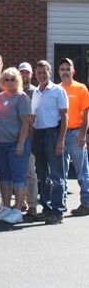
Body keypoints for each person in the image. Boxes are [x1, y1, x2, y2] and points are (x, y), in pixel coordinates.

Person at [0, 68, 32, 224]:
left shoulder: (22, 98)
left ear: (18, 81)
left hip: (16, 144)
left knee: (18, 177)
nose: (9, 82)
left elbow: (25, 123)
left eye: (12, 79)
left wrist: (21, 143)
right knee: (4, 176)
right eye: (6, 79)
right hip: (1, 144)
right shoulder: (0, 97)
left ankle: (17, 209)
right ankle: (7, 208)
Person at [32, 60, 68, 225]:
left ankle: (57, 210)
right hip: (38, 134)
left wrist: (60, 140)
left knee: (56, 175)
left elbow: (64, 117)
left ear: (49, 72)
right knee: (42, 175)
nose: (41, 75)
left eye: (43, 72)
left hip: (52, 134)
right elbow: (33, 117)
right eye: (38, 72)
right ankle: (46, 209)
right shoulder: (36, 93)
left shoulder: (58, 91)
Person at [58, 57, 89, 216]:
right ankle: (60, 204)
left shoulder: (81, 88)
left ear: (73, 71)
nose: (65, 72)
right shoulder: (57, 89)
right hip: (61, 135)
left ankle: (86, 203)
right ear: (59, 72)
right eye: (62, 69)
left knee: (82, 171)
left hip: (77, 133)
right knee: (60, 171)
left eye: (67, 69)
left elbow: (86, 114)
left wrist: (83, 135)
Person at [18, 61, 38, 217]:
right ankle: (21, 202)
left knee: (30, 172)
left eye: (27, 72)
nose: (24, 75)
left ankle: (32, 204)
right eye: (22, 72)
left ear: (31, 75)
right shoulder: (15, 92)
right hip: (15, 138)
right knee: (18, 172)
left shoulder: (35, 92)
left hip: (30, 138)